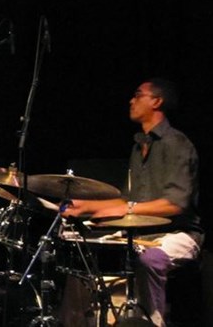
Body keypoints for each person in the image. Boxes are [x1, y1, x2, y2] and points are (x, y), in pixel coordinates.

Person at [62, 78, 203, 326]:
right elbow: (130, 200)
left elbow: (175, 203)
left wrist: (126, 208)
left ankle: (152, 322)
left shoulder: (177, 143)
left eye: (138, 95)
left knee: (150, 260)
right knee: (82, 253)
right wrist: (86, 206)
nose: (131, 100)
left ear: (156, 101)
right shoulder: (139, 147)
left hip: (178, 234)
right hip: (140, 236)